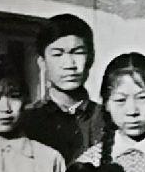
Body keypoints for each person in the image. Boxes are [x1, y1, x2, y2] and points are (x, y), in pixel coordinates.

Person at [20, 14, 105, 164]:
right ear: (42, 62)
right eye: (58, 54)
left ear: (91, 59)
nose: (69, 65)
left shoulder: (108, 118)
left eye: (78, 52)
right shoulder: (26, 120)